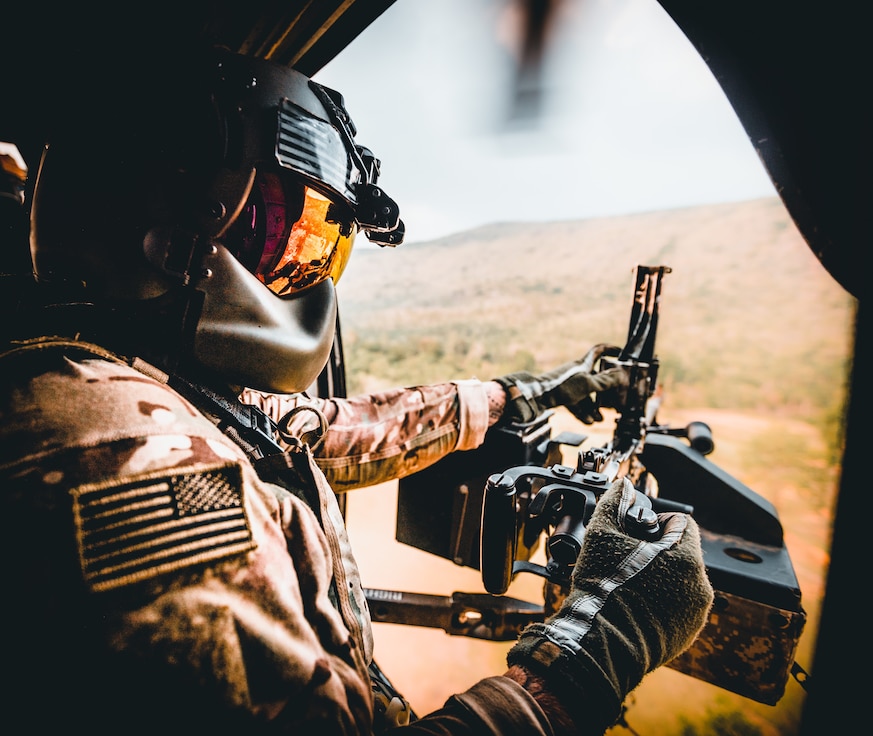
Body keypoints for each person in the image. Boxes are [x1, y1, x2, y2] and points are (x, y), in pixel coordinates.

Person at [0, 34, 713, 736]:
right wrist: (587, 660)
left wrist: (520, 393)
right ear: (171, 227)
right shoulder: (127, 454)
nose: (305, 283)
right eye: (290, 244)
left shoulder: (116, 376)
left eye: (321, 252)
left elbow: (322, 429)